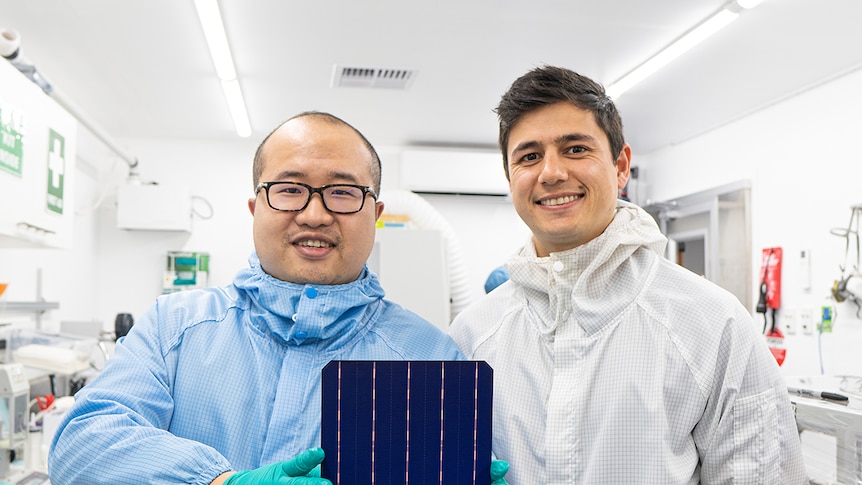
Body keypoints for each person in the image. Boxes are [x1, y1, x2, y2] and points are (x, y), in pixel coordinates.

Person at [49, 112, 508, 484]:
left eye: (343, 193)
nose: (314, 213)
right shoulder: (176, 327)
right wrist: (219, 482)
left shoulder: (429, 357)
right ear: (255, 208)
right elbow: (82, 445)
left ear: (376, 214)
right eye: (289, 190)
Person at [449, 66, 807, 484]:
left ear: (621, 166)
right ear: (511, 178)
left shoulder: (714, 326)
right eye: (529, 156)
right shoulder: (473, 337)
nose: (551, 172)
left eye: (575, 149)